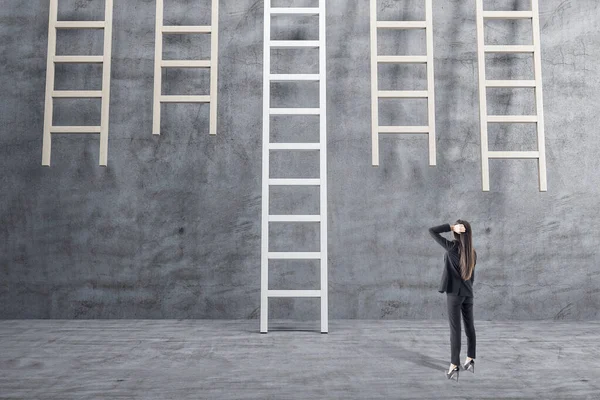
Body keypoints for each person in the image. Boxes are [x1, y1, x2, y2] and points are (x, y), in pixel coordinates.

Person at [429, 221, 477, 382]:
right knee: (469, 326)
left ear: (457, 232)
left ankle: (454, 365)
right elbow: (472, 277)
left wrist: (450, 227)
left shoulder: (451, 247)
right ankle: (470, 359)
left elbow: (432, 231)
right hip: (468, 293)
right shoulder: (473, 252)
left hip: (454, 295)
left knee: (455, 330)